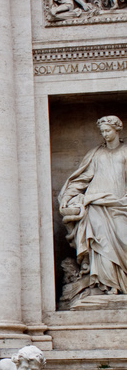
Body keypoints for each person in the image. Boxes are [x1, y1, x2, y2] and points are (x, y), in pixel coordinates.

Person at [59, 115, 127, 295]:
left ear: (117, 130)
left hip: (120, 204)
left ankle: (121, 284)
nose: (105, 134)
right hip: (96, 204)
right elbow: (81, 179)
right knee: (101, 243)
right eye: (102, 131)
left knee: (123, 237)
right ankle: (106, 284)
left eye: (108, 131)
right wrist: (68, 196)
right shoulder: (96, 154)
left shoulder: (125, 152)